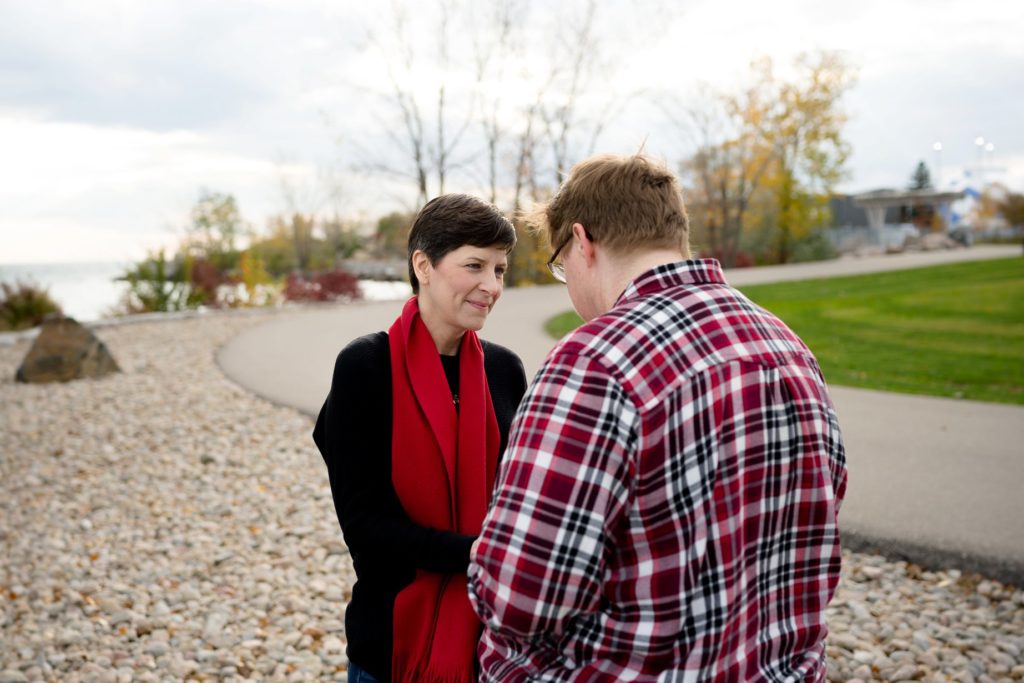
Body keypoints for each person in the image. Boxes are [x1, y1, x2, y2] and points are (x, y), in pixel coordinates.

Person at [468, 153, 848, 681]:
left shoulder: (595, 360)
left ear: (583, 242)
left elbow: (518, 594)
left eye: (561, 266)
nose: (569, 284)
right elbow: (817, 532)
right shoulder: (785, 345)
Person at [313, 193, 527, 683]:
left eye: (499, 270)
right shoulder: (365, 367)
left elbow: (517, 501)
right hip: (390, 648)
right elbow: (364, 525)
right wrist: (477, 553)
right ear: (423, 265)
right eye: (474, 265)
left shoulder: (504, 370)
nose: (491, 286)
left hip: (492, 649)